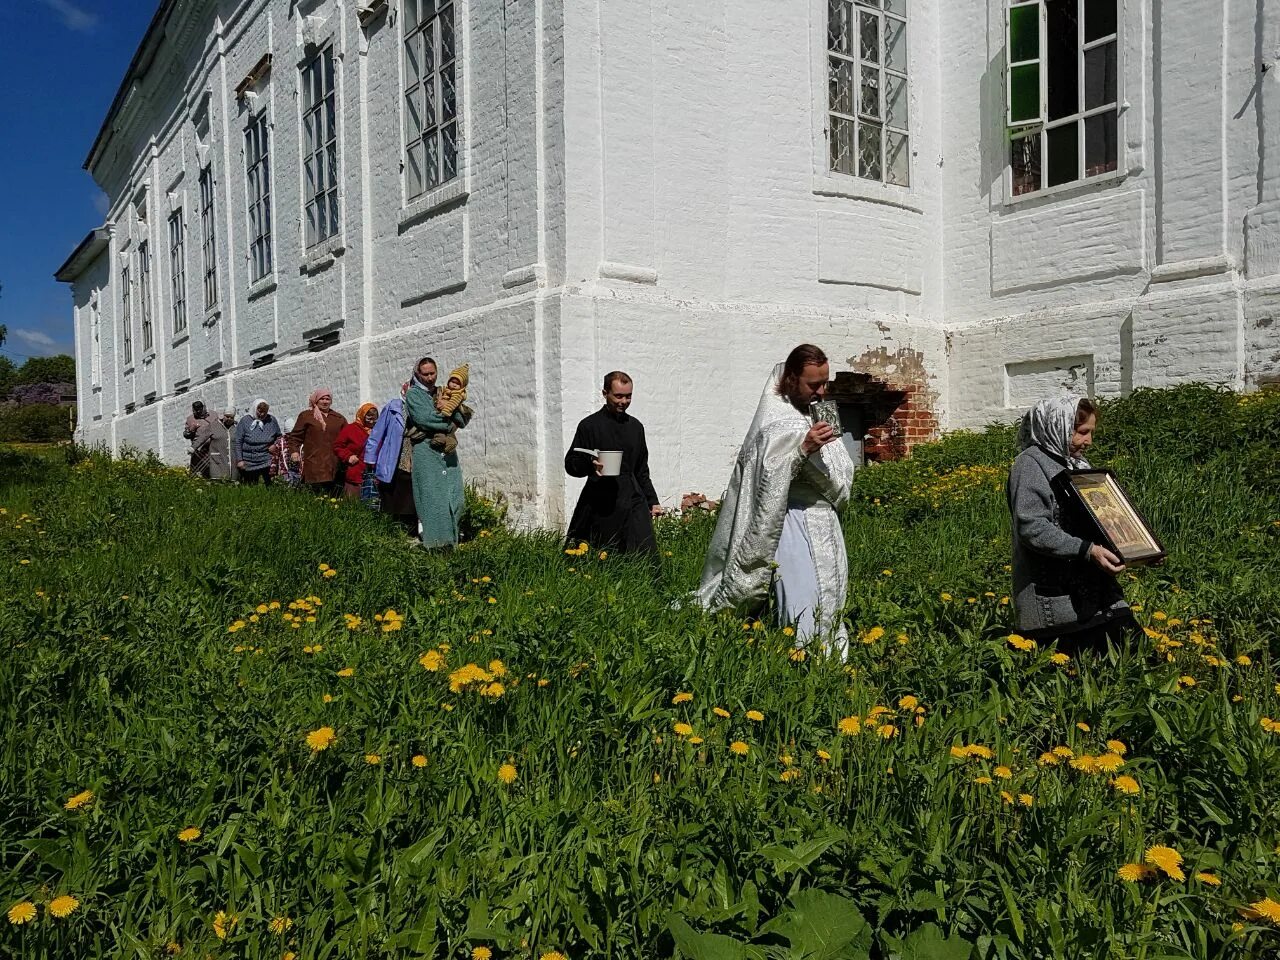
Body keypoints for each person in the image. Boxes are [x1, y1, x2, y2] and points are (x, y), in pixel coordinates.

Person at [696, 344, 854, 651]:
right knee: (803, 598)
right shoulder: (776, 421)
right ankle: (803, 658)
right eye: (813, 385)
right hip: (791, 522)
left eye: (826, 383)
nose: (822, 392)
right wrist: (804, 449)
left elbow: (841, 470)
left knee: (832, 594)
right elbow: (766, 478)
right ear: (792, 379)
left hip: (826, 522)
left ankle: (834, 658)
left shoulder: (816, 412)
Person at [1008, 395, 1134, 654]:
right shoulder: (1030, 465)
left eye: (1091, 432)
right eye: (1082, 432)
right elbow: (1032, 527)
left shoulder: (1075, 464)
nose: (1088, 441)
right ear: (1058, 426)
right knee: (1080, 679)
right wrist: (1088, 550)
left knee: (1137, 657)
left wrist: (1136, 548)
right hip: (1055, 602)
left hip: (1096, 593)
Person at [563, 371, 662, 554]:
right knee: (599, 556)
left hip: (633, 499)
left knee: (645, 556)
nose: (624, 401)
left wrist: (652, 500)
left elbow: (641, 469)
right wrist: (590, 465)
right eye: (618, 396)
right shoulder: (589, 426)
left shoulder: (636, 427)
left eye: (628, 396)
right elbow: (571, 463)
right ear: (605, 393)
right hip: (600, 501)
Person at [404, 357, 472, 547]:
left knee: (455, 497)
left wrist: (453, 410)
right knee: (432, 498)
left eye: (432, 373)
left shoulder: (444, 392)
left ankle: (452, 540)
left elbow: (462, 418)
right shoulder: (414, 395)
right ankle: (436, 545)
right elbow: (426, 419)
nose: (429, 378)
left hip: (447, 451)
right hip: (426, 451)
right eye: (425, 374)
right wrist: (450, 423)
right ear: (417, 374)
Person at [364, 396, 417, 535]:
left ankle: (409, 531)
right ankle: (390, 531)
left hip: (414, 457)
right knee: (391, 494)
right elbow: (377, 433)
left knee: (410, 495)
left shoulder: (423, 405)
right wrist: (371, 458)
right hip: (392, 457)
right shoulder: (393, 408)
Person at [286, 388, 348, 495]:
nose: (325, 402)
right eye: (322, 399)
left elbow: (347, 438)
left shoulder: (338, 418)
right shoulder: (306, 416)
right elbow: (295, 437)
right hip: (314, 461)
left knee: (334, 494)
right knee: (316, 493)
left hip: (333, 462)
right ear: (316, 400)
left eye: (327, 399)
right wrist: (294, 451)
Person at [334, 402, 378, 498]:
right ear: (362, 416)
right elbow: (338, 446)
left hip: (373, 473)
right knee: (353, 503)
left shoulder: (378, 430)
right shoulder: (350, 429)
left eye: (374, 419)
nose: (371, 422)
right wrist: (348, 456)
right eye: (369, 418)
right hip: (355, 471)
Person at [234, 399, 283, 485]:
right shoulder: (245, 421)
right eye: (260, 411)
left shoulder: (271, 420)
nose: (262, 414)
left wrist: (275, 445)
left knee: (270, 485)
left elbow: (279, 436)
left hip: (266, 459)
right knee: (251, 486)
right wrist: (239, 460)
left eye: (265, 412)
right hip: (249, 461)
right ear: (254, 409)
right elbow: (238, 441)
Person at [183, 401, 211, 476]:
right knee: (196, 472)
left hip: (210, 448)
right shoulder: (190, 419)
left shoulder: (210, 417)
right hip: (197, 449)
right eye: (195, 410)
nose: (197, 412)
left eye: (199, 409)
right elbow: (186, 435)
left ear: (203, 408)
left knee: (210, 470)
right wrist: (191, 430)